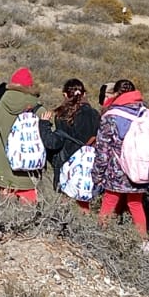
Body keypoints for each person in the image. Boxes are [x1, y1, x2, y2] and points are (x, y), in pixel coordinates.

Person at [91, 79, 149, 236]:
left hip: (117, 168)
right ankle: (143, 241)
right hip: (140, 167)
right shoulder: (148, 114)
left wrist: (97, 174)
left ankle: (100, 236)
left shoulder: (111, 116)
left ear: (115, 94)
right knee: (135, 203)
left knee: (109, 201)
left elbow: (103, 149)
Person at [0, 67, 43, 203]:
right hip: (30, 174)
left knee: (4, 214)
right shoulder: (39, 109)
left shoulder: (0, 107)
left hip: (2, 173)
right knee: (29, 218)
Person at [43, 79, 100, 207]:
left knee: (64, 201)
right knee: (84, 201)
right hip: (87, 163)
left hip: (66, 163)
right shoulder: (94, 114)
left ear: (65, 95)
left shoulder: (62, 115)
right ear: (84, 94)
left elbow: (54, 143)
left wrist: (44, 125)